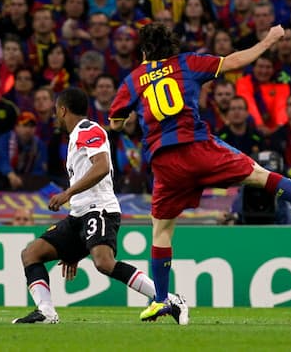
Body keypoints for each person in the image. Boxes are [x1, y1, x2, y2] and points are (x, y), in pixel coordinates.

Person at [108, 23, 291, 323]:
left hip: (165, 163)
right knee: (260, 174)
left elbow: (115, 122)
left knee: (162, 230)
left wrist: (133, 113)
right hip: (197, 148)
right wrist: (269, 38)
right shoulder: (187, 62)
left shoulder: (134, 79)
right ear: (171, 46)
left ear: (144, 50)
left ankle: (160, 299)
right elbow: (234, 61)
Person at [13, 88, 188, 325]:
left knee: (104, 263)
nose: (56, 116)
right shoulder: (76, 136)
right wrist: (72, 250)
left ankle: (169, 299)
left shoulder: (88, 130)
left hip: (99, 208)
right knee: (31, 253)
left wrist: (67, 192)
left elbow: (102, 166)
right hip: (79, 215)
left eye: (56, 111)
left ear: (63, 110)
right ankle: (46, 312)